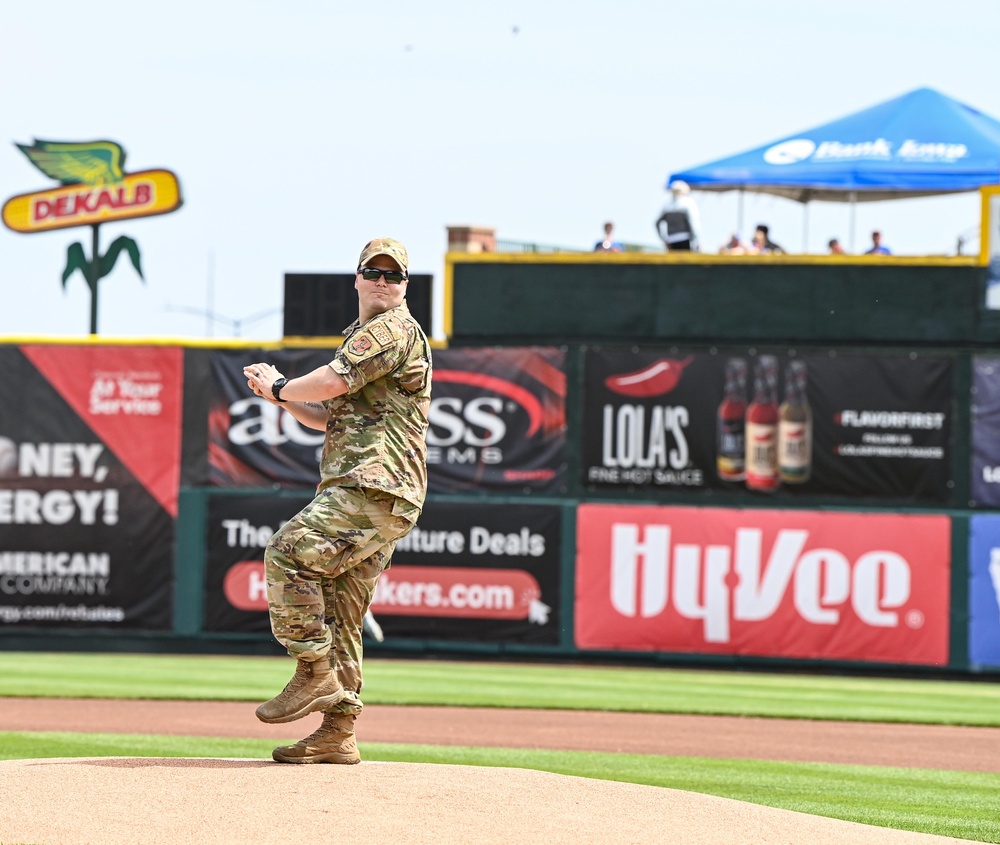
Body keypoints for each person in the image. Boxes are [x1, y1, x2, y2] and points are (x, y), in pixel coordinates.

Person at [243, 236, 431, 765]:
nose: (382, 281)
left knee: (287, 550)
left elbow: (330, 381)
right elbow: (329, 414)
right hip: (380, 489)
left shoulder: (391, 329)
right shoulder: (368, 335)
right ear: (357, 279)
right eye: (374, 271)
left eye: (393, 275)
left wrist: (282, 387)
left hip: (375, 485)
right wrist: (280, 399)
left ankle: (312, 673)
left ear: (404, 287)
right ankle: (337, 731)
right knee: (342, 613)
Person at [656, 180, 701, 251]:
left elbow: (657, 222)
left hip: (670, 240)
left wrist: (663, 238)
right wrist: (696, 240)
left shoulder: (666, 205)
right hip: (685, 239)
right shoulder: (688, 203)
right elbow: (693, 223)